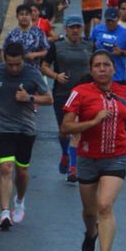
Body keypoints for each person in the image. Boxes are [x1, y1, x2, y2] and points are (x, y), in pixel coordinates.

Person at [60, 50, 126, 251]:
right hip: (88, 158)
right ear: (91, 69)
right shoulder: (80, 93)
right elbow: (65, 128)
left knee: (105, 205)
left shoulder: (124, 92)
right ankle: (90, 232)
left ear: (114, 69)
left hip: (116, 156)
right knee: (89, 211)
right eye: (97, 65)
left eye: (106, 65)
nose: (102, 69)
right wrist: (93, 121)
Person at [0, 41, 52, 230]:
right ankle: (4, 212)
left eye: (17, 64)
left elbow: (48, 99)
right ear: (5, 60)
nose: (13, 68)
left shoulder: (32, 74)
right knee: (5, 168)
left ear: (22, 60)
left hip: (25, 128)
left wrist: (30, 98)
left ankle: (19, 199)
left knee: (21, 171)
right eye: (10, 64)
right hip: (2, 127)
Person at [41, 13, 94, 182]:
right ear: (66, 29)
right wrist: (56, 76)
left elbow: (97, 64)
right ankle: (65, 153)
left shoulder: (90, 45)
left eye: (78, 27)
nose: (75, 30)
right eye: (72, 27)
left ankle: (73, 168)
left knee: (76, 130)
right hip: (63, 93)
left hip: (83, 95)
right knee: (64, 131)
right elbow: (44, 66)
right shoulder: (57, 46)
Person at [89, 6, 126, 84]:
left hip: (117, 76)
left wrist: (121, 52)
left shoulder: (125, 33)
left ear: (118, 19)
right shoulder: (97, 29)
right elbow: (89, 45)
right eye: (108, 20)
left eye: (113, 21)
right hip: (99, 75)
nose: (110, 23)